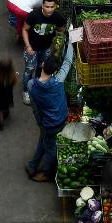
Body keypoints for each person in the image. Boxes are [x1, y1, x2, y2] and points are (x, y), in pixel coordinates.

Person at [25, 37, 74, 181]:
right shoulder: (58, 80)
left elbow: (35, 108)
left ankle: (37, 168)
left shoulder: (31, 85)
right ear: (55, 71)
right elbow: (68, 62)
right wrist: (70, 40)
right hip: (60, 120)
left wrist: (40, 122)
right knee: (50, 147)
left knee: (46, 141)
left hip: (47, 122)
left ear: (42, 64)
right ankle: (44, 172)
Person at [22, 0, 64, 101]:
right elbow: (25, 29)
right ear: (42, 6)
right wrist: (28, 46)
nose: (49, 9)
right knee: (29, 69)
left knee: (42, 68)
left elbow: (61, 30)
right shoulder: (34, 15)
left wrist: (56, 42)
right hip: (32, 48)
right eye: (47, 6)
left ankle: (37, 87)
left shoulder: (58, 17)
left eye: (52, 7)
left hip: (46, 48)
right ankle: (26, 91)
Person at [0, 57, 17, 130]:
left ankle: (1, 123)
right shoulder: (13, 77)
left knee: (0, 110)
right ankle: (6, 112)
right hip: (8, 95)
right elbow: (15, 83)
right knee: (7, 104)